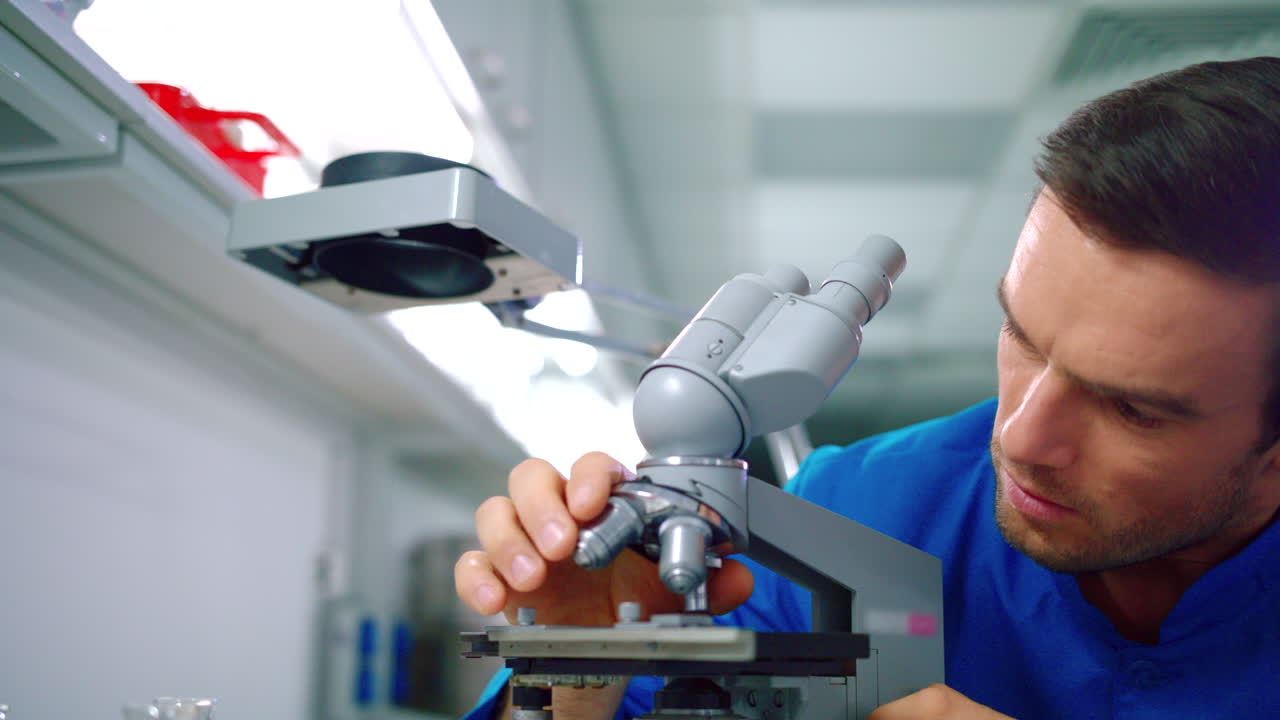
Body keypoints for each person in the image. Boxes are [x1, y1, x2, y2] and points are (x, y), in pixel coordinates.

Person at [453, 56, 1280, 719]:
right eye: (1021, 340)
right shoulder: (858, 510)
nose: (1022, 439)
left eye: (1133, 408)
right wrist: (581, 663)